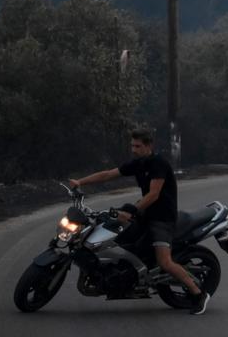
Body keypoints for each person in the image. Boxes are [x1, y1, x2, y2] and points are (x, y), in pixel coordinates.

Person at [70, 128, 210, 315]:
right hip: (146, 215)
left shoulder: (158, 164)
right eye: (132, 146)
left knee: (165, 261)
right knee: (118, 238)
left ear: (148, 146)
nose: (133, 149)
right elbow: (108, 174)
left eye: (137, 146)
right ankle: (128, 276)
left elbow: (154, 194)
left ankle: (198, 294)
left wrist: (134, 210)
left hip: (162, 218)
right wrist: (80, 182)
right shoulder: (138, 163)